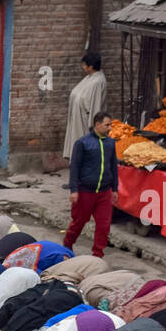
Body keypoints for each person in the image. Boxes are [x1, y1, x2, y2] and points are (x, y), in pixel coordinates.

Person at [63, 110, 118, 258]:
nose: (110, 128)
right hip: (85, 191)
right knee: (79, 222)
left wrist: (115, 189)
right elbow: (74, 167)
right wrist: (73, 189)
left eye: (110, 125)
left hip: (104, 191)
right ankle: (67, 245)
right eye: (107, 125)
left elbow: (113, 167)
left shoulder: (110, 143)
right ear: (97, 124)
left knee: (103, 225)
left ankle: (97, 255)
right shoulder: (82, 143)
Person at [62, 51, 106, 158]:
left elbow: (95, 104)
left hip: (84, 122)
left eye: (85, 64)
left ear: (91, 66)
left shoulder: (97, 82)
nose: (83, 66)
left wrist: (93, 125)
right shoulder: (90, 77)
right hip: (78, 119)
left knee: (83, 149)